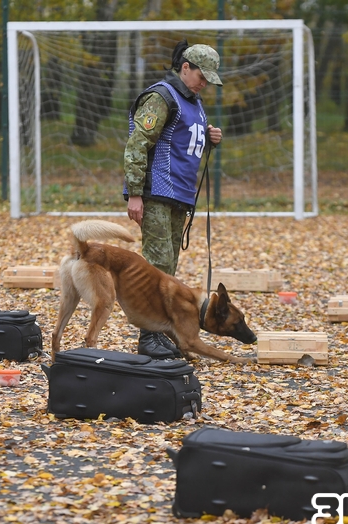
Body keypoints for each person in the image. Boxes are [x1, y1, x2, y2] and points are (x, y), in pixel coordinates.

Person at [123, 40, 223, 359]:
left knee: (168, 269)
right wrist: (135, 193)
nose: (205, 82)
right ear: (185, 68)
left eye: (209, 78)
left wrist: (208, 138)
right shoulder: (161, 96)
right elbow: (137, 144)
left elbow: (182, 141)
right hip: (157, 192)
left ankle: (162, 333)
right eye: (201, 75)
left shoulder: (194, 101)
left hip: (180, 196)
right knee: (156, 266)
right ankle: (148, 337)